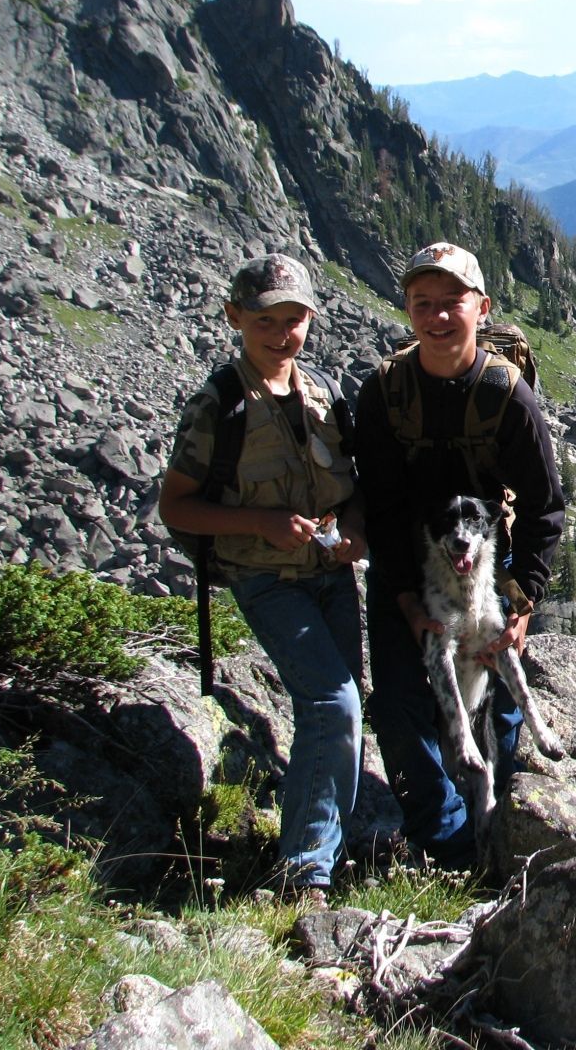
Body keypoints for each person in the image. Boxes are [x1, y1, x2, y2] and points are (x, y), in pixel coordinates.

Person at [159, 254, 365, 904]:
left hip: (330, 575)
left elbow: (357, 489)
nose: (282, 334)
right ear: (235, 319)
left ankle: (323, 849)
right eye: (266, 320)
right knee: (334, 706)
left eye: (295, 319)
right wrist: (262, 523)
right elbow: (177, 505)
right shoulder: (219, 405)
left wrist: (353, 531)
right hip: (266, 580)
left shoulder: (327, 394)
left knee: (340, 709)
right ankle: (304, 877)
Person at [355, 241, 564, 868]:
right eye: (423, 303)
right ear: (407, 309)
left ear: (482, 308)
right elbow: (382, 504)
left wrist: (522, 601)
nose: (438, 316)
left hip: (484, 569)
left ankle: (500, 827)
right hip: (409, 566)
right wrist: (402, 596)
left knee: (500, 691)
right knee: (398, 696)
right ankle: (446, 843)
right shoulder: (385, 394)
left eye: (452, 303)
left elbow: (543, 504)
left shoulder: (509, 398)